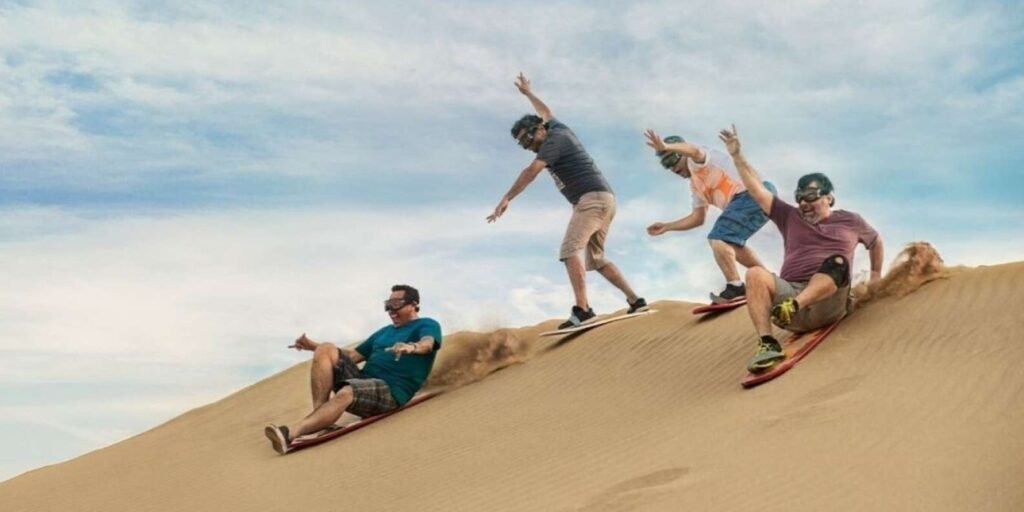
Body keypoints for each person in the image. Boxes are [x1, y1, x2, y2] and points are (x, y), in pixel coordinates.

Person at [717, 125, 884, 373]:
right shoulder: (789, 216)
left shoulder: (851, 221)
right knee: (754, 274)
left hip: (829, 302)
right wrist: (737, 157)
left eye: (811, 196)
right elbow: (757, 190)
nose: (804, 203)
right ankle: (767, 342)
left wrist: (875, 276)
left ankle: (794, 305)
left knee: (837, 262)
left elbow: (876, 242)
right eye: (800, 198)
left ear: (829, 197)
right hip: (792, 304)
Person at [487, 73, 647, 328]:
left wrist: (507, 198)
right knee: (595, 258)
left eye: (528, 138)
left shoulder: (554, 140)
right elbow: (545, 110)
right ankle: (636, 300)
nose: (527, 145)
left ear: (539, 129)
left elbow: (531, 172)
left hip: (591, 201)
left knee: (569, 250)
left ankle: (583, 310)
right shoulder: (556, 126)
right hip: (604, 199)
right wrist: (528, 93)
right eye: (522, 143)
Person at [264, 284, 442, 454]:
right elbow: (352, 356)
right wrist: (314, 347)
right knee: (326, 348)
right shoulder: (384, 332)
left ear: (414, 305)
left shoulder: (427, 324)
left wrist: (412, 347)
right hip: (364, 381)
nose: (391, 311)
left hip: (391, 391)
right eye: (387, 306)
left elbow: (428, 343)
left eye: (396, 305)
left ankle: (291, 433)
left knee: (348, 391)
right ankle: (320, 418)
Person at [644, 129, 777, 303]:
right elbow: (698, 218)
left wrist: (666, 146)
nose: (672, 168)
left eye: (673, 159)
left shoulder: (698, 160)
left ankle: (736, 287)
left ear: (682, 153)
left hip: (752, 192)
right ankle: (771, 282)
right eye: (666, 164)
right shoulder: (696, 186)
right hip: (756, 200)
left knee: (718, 238)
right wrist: (668, 226)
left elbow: (694, 151)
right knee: (729, 242)